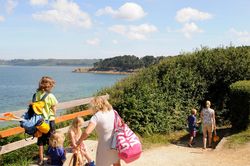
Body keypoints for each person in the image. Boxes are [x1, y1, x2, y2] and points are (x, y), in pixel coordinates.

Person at [76, 96, 121, 166]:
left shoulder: (96, 116)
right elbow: (120, 125)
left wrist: (79, 141)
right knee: (116, 163)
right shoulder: (113, 112)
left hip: (104, 146)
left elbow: (87, 132)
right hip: (115, 143)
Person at [35, 76, 58, 165]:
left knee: (40, 140)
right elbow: (54, 108)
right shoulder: (50, 96)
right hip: (50, 121)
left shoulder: (37, 94)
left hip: (39, 121)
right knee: (51, 139)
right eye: (52, 85)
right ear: (49, 86)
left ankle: (41, 160)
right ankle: (49, 159)